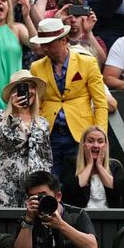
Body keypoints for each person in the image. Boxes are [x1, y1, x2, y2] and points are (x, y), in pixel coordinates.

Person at [29, 18, 108, 181]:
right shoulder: (36, 67)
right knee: (51, 181)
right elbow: (36, 103)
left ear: (64, 40)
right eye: (43, 44)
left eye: (49, 43)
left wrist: (100, 137)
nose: (45, 48)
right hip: (50, 134)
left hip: (80, 134)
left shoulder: (87, 62)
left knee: (79, 183)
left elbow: (100, 103)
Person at [0, 70, 52, 208]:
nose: (29, 91)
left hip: (35, 185)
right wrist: (16, 116)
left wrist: (45, 183)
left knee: (32, 224)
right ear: (13, 93)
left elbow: (46, 157)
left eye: (32, 87)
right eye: (23, 87)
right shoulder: (2, 117)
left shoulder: (43, 123)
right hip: (6, 181)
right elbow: (4, 141)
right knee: (5, 223)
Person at [15, 170, 99, 248]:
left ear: (58, 196)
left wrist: (61, 226)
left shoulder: (77, 215)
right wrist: (28, 221)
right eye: (33, 197)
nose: (39, 201)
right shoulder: (27, 219)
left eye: (43, 196)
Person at [61, 125, 124, 209]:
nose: (95, 145)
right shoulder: (70, 163)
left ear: (106, 145)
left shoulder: (115, 166)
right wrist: (89, 165)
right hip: (79, 218)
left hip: (109, 219)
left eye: (100, 142)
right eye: (90, 141)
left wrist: (99, 166)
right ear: (83, 144)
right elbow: (72, 190)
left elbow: (116, 191)